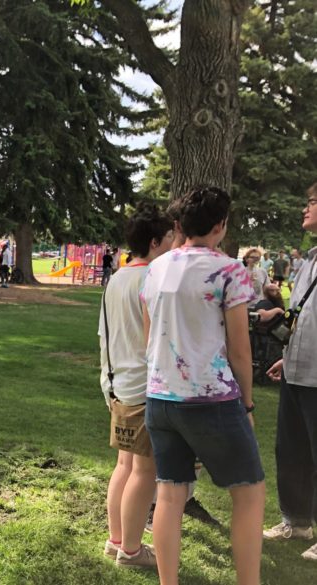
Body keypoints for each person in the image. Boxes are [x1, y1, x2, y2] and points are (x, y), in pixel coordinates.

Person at [141, 186, 264, 585]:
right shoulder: (230, 270)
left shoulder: (155, 268)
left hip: (160, 397)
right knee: (249, 492)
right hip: (210, 398)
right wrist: (247, 404)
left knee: (169, 493)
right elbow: (240, 349)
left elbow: (148, 338)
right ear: (220, 225)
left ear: (180, 224)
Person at [100, 203, 173, 569]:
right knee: (143, 472)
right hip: (144, 386)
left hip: (117, 385)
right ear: (155, 242)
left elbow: (104, 334)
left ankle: (117, 540)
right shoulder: (152, 279)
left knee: (125, 466)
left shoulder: (116, 278)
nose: (175, 243)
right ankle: (130, 549)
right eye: (170, 237)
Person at [264, 183, 317, 561]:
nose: (305, 208)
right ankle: (296, 522)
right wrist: (289, 355)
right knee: (291, 450)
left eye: (312, 202)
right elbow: (305, 316)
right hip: (297, 369)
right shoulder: (310, 260)